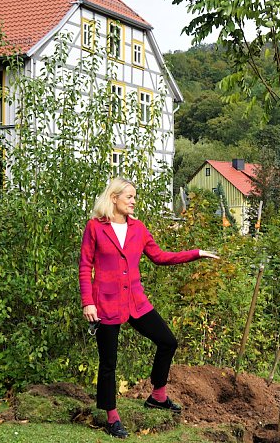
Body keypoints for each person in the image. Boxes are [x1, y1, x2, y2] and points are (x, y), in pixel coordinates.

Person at [80, 178, 219, 439]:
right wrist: (88, 302)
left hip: (136, 301)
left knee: (168, 341)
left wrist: (196, 253)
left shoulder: (138, 228)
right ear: (113, 198)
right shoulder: (95, 228)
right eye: (129, 197)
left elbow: (160, 257)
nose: (133, 201)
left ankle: (157, 395)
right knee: (109, 362)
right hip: (105, 303)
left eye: (134, 197)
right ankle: (111, 416)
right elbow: (85, 266)